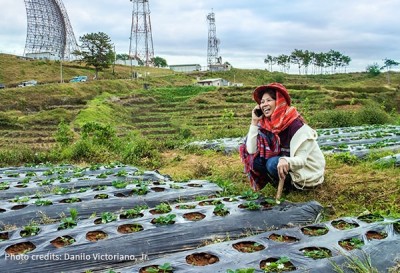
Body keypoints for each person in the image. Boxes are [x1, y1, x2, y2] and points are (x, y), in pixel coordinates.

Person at [239, 82, 325, 192]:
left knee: (272, 163)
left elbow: (302, 160)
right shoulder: (266, 126)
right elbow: (251, 150)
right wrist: (254, 121)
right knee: (256, 161)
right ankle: (281, 183)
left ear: (279, 102)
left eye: (269, 100)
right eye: (262, 102)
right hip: (286, 166)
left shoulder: (297, 126)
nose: (264, 104)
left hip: (306, 173)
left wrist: (286, 160)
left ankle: (292, 187)